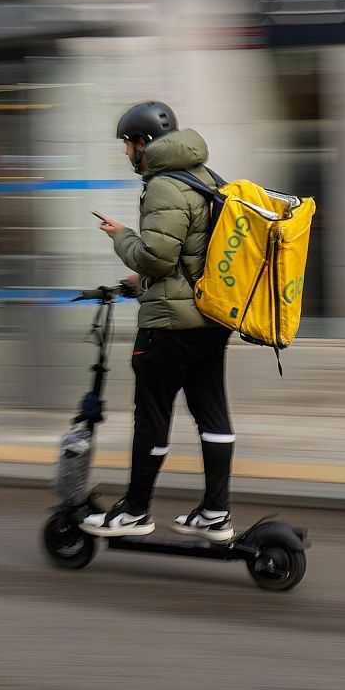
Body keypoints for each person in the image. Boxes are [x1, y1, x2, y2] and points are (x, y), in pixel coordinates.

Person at [80, 101, 237, 542]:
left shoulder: (164, 186)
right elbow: (190, 254)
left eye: (128, 145)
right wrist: (139, 280)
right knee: (212, 413)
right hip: (210, 318)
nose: (127, 154)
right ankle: (215, 512)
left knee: (151, 415)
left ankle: (134, 510)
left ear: (143, 143)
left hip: (169, 325)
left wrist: (121, 237)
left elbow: (157, 255)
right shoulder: (204, 177)